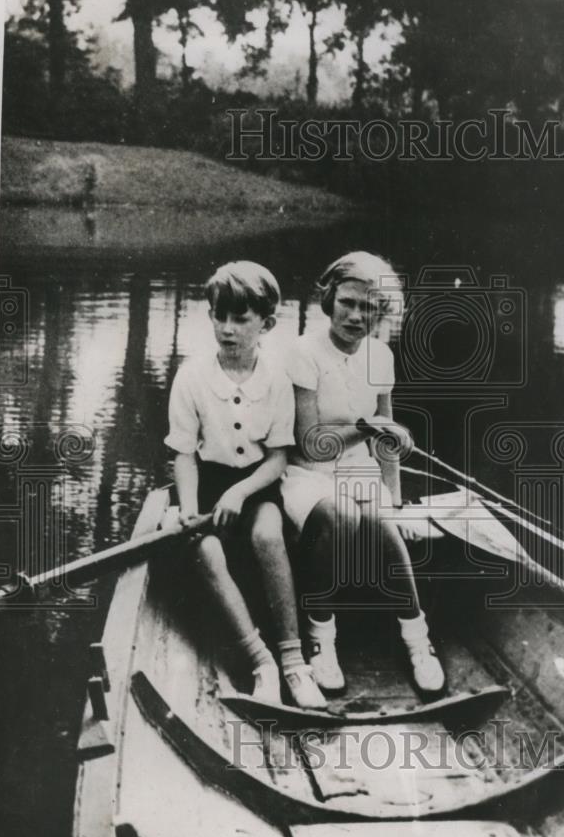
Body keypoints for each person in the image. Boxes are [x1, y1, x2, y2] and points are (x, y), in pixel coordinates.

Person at [281, 251, 445, 695]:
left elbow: (386, 443)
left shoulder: (380, 355)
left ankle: (417, 640)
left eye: (368, 306)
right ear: (329, 299)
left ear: (381, 312)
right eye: (347, 302)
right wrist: (366, 427)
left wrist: (394, 500)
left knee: (380, 522)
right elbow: (311, 441)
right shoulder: (303, 351)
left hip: (360, 472)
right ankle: (321, 641)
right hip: (308, 475)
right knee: (339, 517)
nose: (355, 315)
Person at [164, 261, 326, 710]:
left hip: (257, 484)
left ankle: (294, 663)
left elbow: (277, 460)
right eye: (220, 315)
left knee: (268, 534)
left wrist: (240, 492)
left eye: (241, 318)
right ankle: (262, 663)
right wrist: (190, 509)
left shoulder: (276, 378)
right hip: (207, 481)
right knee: (207, 549)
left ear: (267, 323)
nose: (227, 328)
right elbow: (183, 453)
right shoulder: (192, 376)